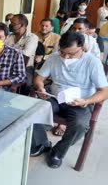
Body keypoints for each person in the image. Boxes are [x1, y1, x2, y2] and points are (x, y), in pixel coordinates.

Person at [31, 31, 108, 168]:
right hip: (56, 97)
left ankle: (57, 152)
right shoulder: (54, 58)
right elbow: (39, 78)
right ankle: (42, 144)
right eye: (62, 52)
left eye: (71, 54)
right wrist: (41, 87)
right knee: (33, 110)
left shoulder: (92, 62)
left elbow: (104, 91)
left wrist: (86, 101)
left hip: (81, 102)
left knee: (80, 124)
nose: (66, 57)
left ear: (82, 47)